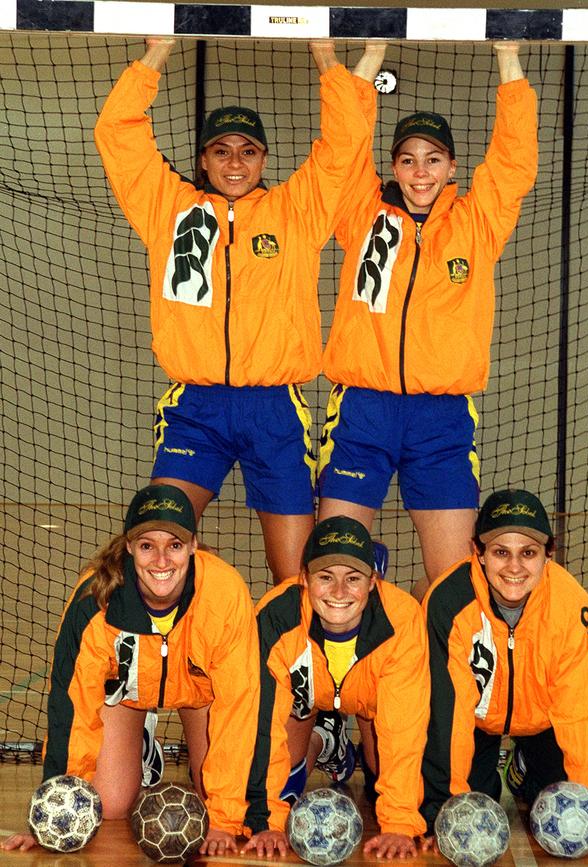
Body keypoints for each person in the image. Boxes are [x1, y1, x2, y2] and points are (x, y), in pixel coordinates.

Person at [94, 38, 386, 584]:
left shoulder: (295, 211)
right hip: (195, 410)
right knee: (155, 549)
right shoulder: (168, 207)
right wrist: (157, 51)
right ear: (202, 159)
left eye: (247, 150)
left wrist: (327, 58)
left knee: (299, 576)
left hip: (275, 412)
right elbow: (116, 131)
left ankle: (291, 665)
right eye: (221, 150)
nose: (234, 162)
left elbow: (344, 144)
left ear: (264, 160)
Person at [317, 43, 538, 600]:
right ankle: (363, 610)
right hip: (362, 410)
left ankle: (404, 613)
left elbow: (513, 161)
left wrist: (508, 57)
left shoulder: (477, 224)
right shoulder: (362, 215)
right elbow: (344, 144)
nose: (420, 171)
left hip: (440, 419)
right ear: (393, 166)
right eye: (409, 159)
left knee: (454, 585)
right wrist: (367, 53)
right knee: (332, 571)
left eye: (433, 159)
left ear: (452, 168)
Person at [1, 484, 259, 857]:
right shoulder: (96, 599)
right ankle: (140, 744)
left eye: (173, 545)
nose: (161, 560)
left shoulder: (224, 593)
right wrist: (55, 808)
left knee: (211, 790)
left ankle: (176, 764)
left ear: (192, 546)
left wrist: (225, 819)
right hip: (127, 689)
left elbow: (239, 708)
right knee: (108, 804)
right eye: (146, 545)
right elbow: (70, 707)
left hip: (201, 691)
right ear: (128, 548)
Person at [420, 488, 588, 860]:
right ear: (478, 552)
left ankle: (523, 766)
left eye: (528, 553)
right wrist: (441, 812)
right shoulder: (448, 602)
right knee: (476, 799)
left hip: (544, 724)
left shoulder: (572, 609)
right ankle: (492, 772)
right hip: (476, 723)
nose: (514, 567)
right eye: (501, 552)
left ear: (548, 555)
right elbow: (447, 715)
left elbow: (586, 719)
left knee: (556, 792)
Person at [242, 515, 430, 860]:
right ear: (304, 578)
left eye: (353, 578)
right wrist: (265, 818)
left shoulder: (402, 618)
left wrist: (400, 824)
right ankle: (326, 739)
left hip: (372, 701)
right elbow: (262, 724)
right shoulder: (276, 616)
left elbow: (404, 729)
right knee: (286, 787)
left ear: (373, 582)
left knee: (381, 777)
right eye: (325, 577)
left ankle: (343, 740)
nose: (340, 592)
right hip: (307, 695)